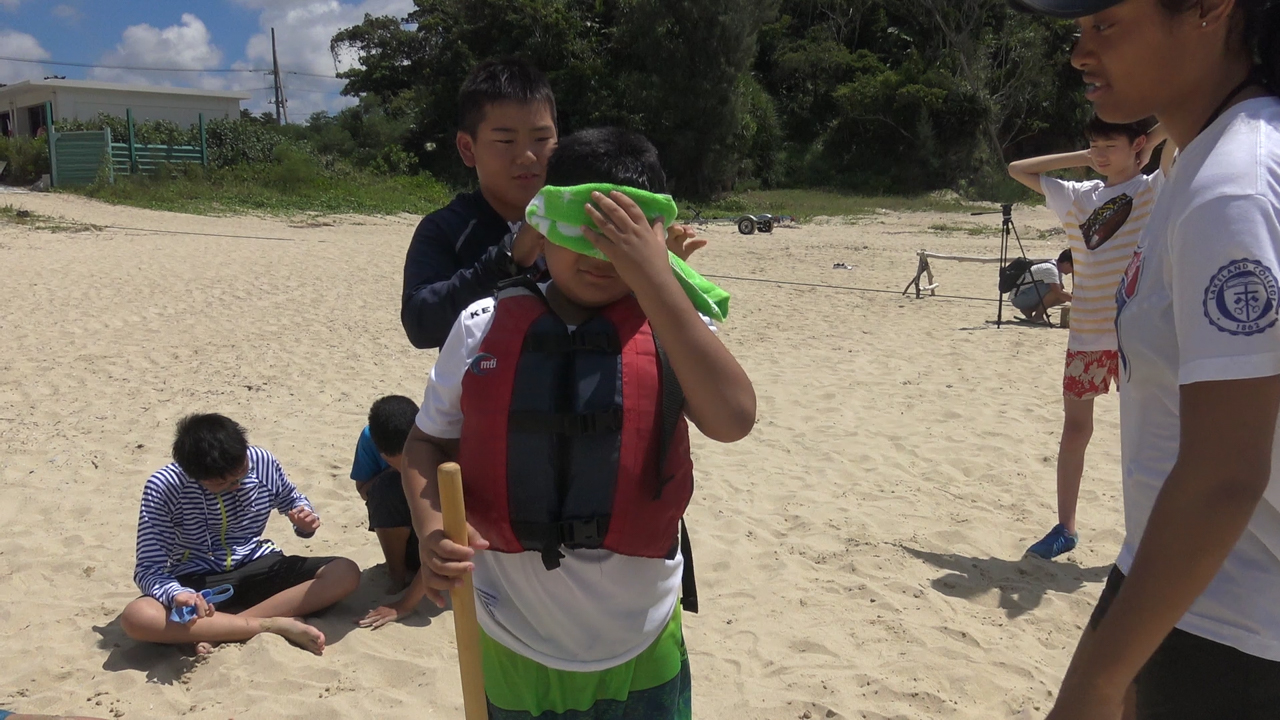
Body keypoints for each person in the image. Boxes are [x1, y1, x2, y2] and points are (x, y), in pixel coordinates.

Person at [401, 127, 755, 718]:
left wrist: (657, 278)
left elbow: (734, 418)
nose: (598, 255)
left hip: (643, 642)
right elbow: (426, 441)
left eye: (620, 238)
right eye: (580, 229)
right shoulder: (481, 324)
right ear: (541, 226)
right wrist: (430, 525)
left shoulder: (674, 328)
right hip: (512, 638)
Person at [1012, 0, 1280, 717]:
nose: (1079, 53)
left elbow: (1226, 473)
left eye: (1104, 24)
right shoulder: (1206, 162)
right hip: (1180, 579)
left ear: (1209, 10)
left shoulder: (1234, 189)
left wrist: (1098, 682)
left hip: (1231, 620)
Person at [400, 57, 706, 350]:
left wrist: (664, 267)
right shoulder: (446, 229)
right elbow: (420, 324)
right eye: (506, 141)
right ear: (468, 148)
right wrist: (510, 257)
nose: (527, 156)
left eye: (541, 138)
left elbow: (617, 296)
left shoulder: (588, 212)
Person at [1009, 116, 1170, 559]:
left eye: (1107, 145)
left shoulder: (1152, 188)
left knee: (1146, 435)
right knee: (1075, 429)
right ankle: (1065, 527)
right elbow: (1018, 169)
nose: (1098, 152)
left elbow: (1178, 129)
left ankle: (1151, 535)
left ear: (1137, 145)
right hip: (1086, 334)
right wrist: (1087, 157)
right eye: (1092, 144)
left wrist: (1146, 145)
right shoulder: (1080, 196)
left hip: (1136, 334)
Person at [120, 414, 361, 656]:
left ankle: (223, 629)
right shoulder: (164, 486)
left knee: (345, 572)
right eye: (221, 484)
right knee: (137, 617)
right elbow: (149, 568)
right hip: (198, 578)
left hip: (258, 562)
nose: (236, 485)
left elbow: (292, 500)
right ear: (193, 474)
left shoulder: (261, 461)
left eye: (242, 474)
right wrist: (178, 594)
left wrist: (304, 521)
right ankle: (271, 624)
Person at [349, 395, 421, 593]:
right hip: (404, 534)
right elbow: (364, 491)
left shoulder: (436, 434)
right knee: (385, 488)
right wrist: (394, 471)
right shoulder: (369, 438)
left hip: (442, 531)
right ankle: (397, 575)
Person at [1009, 250, 1076, 322]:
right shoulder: (1050, 269)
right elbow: (1058, 292)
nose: (1072, 271)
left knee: (1062, 298)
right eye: (1073, 268)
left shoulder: (1055, 268)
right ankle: (1038, 316)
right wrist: (1079, 301)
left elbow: (1062, 291)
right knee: (1055, 292)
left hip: (1025, 295)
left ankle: (1029, 310)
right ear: (1067, 263)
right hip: (1020, 297)